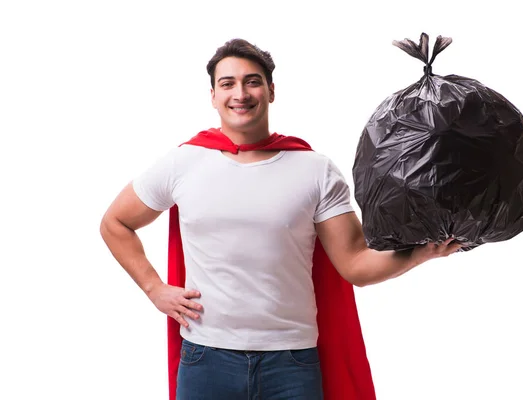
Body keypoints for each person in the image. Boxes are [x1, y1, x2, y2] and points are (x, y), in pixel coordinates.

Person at [100, 38, 462, 400]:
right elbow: (115, 223)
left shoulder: (315, 170)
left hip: (291, 364)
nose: (240, 93)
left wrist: (421, 253)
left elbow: (354, 263)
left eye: (252, 81)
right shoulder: (183, 163)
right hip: (205, 359)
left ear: (271, 91)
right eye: (228, 83)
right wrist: (154, 289)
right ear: (213, 95)